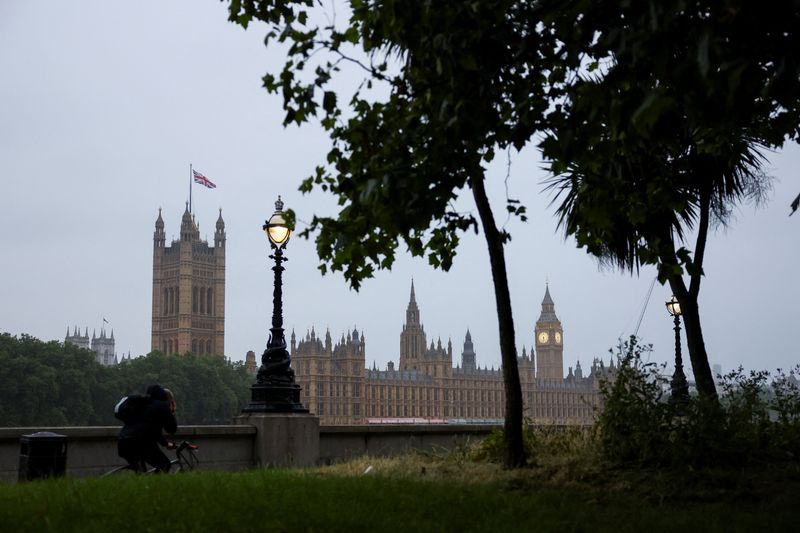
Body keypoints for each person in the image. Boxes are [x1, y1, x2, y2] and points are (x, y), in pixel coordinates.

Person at [117, 384, 178, 473]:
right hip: (141, 443)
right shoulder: (161, 406)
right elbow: (172, 429)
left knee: (140, 471)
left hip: (123, 442)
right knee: (164, 465)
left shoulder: (141, 405)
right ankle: (156, 486)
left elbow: (150, 430)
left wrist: (164, 443)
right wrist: (171, 411)